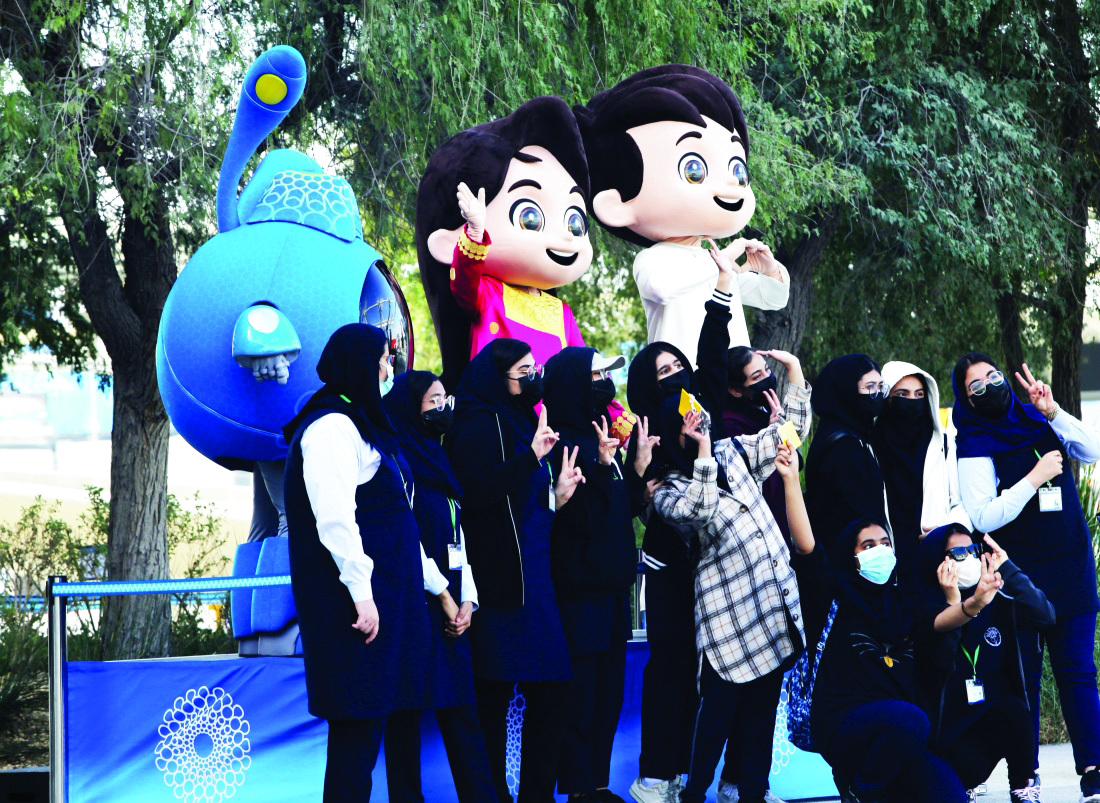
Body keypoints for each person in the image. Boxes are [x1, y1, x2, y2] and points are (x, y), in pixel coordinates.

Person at [283, 323, 441, 801]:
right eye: (381, 363)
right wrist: (362, 595)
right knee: (357, 738)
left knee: (387, 722)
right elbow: (335, 520)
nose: (388, 371)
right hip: (357, 611)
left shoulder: (360, 423)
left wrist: (436, 588)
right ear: (359, 367)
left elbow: (395, 518)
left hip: (389, 602)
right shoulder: (330, 427)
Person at [651, 359, 811, 803]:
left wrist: (795, 377)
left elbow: (790, 436)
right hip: (728, 626)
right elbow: (698, 512)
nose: (699, 424)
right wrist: (703, 451)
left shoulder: (732, 451)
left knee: (761, 718)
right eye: (688, 422)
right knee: (716, 721)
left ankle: (753, 794)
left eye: (700, 416)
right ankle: (694, 794)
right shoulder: (667, 490)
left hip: (770, 609)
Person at [953, 354, 1100, 801]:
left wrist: (1052, 411)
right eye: (976, 386)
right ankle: (1027, 778)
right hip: (1020, 577)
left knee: (1079, 673)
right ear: (967, 399)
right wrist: (1034, 478)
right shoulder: (974, 442)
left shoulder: (1038, 420)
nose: (989, 387)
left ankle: (1094, 772)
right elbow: (983, 516)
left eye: (993, 376)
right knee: (1025, 678)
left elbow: (1091, 450)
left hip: (1071, 567)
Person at [444, 337, 585, 803]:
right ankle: (492, 796)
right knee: (495, 694)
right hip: (502, 580)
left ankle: (535, 795)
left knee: (554, 688)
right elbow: (476, 494)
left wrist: (556, 495)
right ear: (496, 376)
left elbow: (524, 502)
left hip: (536, 575)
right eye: (523, 372)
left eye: (534, 369)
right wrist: (531, 457)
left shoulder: (522, 420)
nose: (533, 378)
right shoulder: (475, 424)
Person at [575, 64, 789, 366]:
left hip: (730, 381)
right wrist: (724, 260)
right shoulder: (652, 259)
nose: (731, 184)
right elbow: (661, 288)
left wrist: (770, 269)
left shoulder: (713, 264)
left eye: (737, 171)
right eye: (694, 170)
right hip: (680, 380)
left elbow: (773, 299)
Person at [626, 246, 737, 803]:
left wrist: (723, 286)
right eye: (661, 372)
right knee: (669, 664)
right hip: (668, 563)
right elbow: (631, 500)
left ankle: (697, 778)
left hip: (717, 557)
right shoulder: (640, 431)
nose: (673, 376)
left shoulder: (704, 406)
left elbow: (713, 350)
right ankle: (654, 775)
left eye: (677, 368)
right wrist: (639, 473)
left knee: (710, 668)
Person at [782, 503, 968, 802]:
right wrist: (790, 481)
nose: (880, 551)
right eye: (868, 546)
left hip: (899, 735)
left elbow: (938, 622)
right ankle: (860, 792)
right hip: (843, 724)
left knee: (951, 797)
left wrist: (972, 603)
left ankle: (877, 786)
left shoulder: (903, 602)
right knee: (911, 720)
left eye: (885, 544)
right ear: (852, 557)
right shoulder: (831, 595)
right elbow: (807, 549)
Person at [381, 371, 497, 803]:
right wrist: (444, 594)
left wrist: (468, 599)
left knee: (463, 715)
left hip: (452, 615)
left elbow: (456, 535)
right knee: (405, 718)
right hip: (415, 608)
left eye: (446, 399)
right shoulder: (397, 463)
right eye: (433, 401)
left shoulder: (439, 458)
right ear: (409, 408)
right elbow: (404, 537)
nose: (443, 409)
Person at [543, 347, 639, 803]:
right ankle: (581, 789)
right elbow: (580, 521)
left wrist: (634, 470)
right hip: (580, 597)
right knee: (580, 700)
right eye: (596, 375)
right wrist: (601, 467)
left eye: (606, 375)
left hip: (613, 593)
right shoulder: (565, 446)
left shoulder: (603, 440)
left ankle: (598, 784)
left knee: (608, 697)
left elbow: (616, 514)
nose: (605, 383)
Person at [914, 523, 1054, 802]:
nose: (968, 558)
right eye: (958, 553)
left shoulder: (997, 599)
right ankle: (959, 785)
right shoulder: (925, 607)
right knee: (950, 781)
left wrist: (1008, 569)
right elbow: (939, 663)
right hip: (951, 732)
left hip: (993, 717)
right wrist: (953, 602)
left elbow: (1045, 617)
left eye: (973, 550)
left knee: (1014, 709)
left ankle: (1024, 786)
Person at [873, 360, 968, 593]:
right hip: (884, 565)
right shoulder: (869, 445)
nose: (912, 401)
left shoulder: (944, 443)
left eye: (919, 394)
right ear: (886, 397)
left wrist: (944, 531)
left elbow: (961, 502)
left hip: (935, 561)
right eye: (902, 394)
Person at [805, 354, 888, 552]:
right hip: (853, 556)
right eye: (870, 387)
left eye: (880, 387)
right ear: (846, 391)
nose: (876, 394)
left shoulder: (854, 436)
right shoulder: (843, 446)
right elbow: (855, 511)